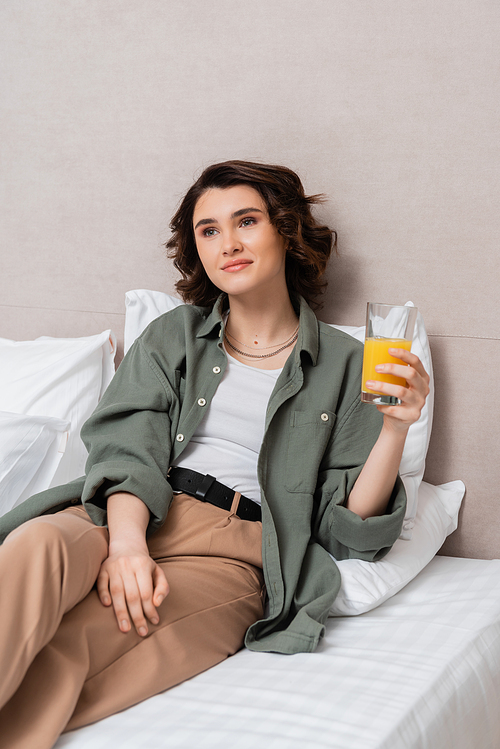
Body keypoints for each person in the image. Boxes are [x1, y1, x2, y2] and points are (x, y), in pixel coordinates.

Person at [0, 160, 429, 748]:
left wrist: (396, 431)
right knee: (35, 545)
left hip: (235, 553)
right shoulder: (173, 335)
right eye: (208, 230)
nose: (228, 243)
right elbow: (128, 443)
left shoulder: (348, 363)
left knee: (86, 643)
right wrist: (126, 545)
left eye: (246, 221)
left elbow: (350, 532)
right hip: (132, 512)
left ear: (284, 229)